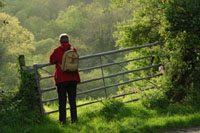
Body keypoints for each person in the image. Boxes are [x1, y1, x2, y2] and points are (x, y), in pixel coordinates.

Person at [50, 33, 80, 124]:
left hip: (61, 79)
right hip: (73, 78)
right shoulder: (73, 49)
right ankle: (74, 120)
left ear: (60, 41)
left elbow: (51, 61)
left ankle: (62, 121)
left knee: (62, 102)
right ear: (68, 41)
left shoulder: (57, 50)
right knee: (72, 101)